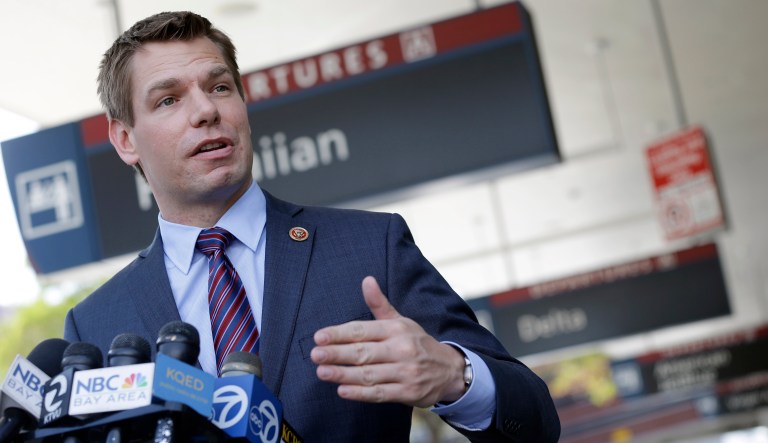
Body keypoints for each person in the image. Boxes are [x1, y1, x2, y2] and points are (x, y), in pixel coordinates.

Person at [64, 11, 560, 442]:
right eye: (168, 100)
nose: (206, 110)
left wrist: (455, 376)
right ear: (126, 139)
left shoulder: (371, 248)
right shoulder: (97, 325)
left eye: (219, 87)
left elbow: (535, 418)